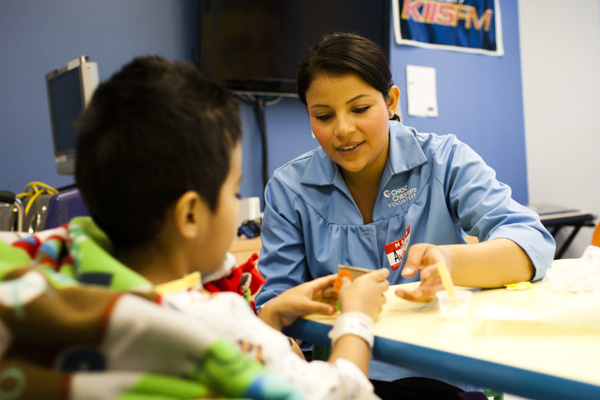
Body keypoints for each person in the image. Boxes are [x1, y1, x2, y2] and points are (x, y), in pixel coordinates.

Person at [0, 56, 390, 399]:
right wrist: (356, 319)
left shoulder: (50, 272)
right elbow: (340, 393)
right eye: (234, 191)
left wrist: (270, 315)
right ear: (190, 215)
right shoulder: (217, 324)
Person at [254, 32, 556, 399]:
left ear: (391, 100)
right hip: (347, 374)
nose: (343, 129)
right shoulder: (289, 188)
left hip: (442, 374)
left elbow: (533, 245)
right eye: (323, 116)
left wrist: (448, 260)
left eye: (360, 109)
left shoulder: (445, 159)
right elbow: (277, 303)